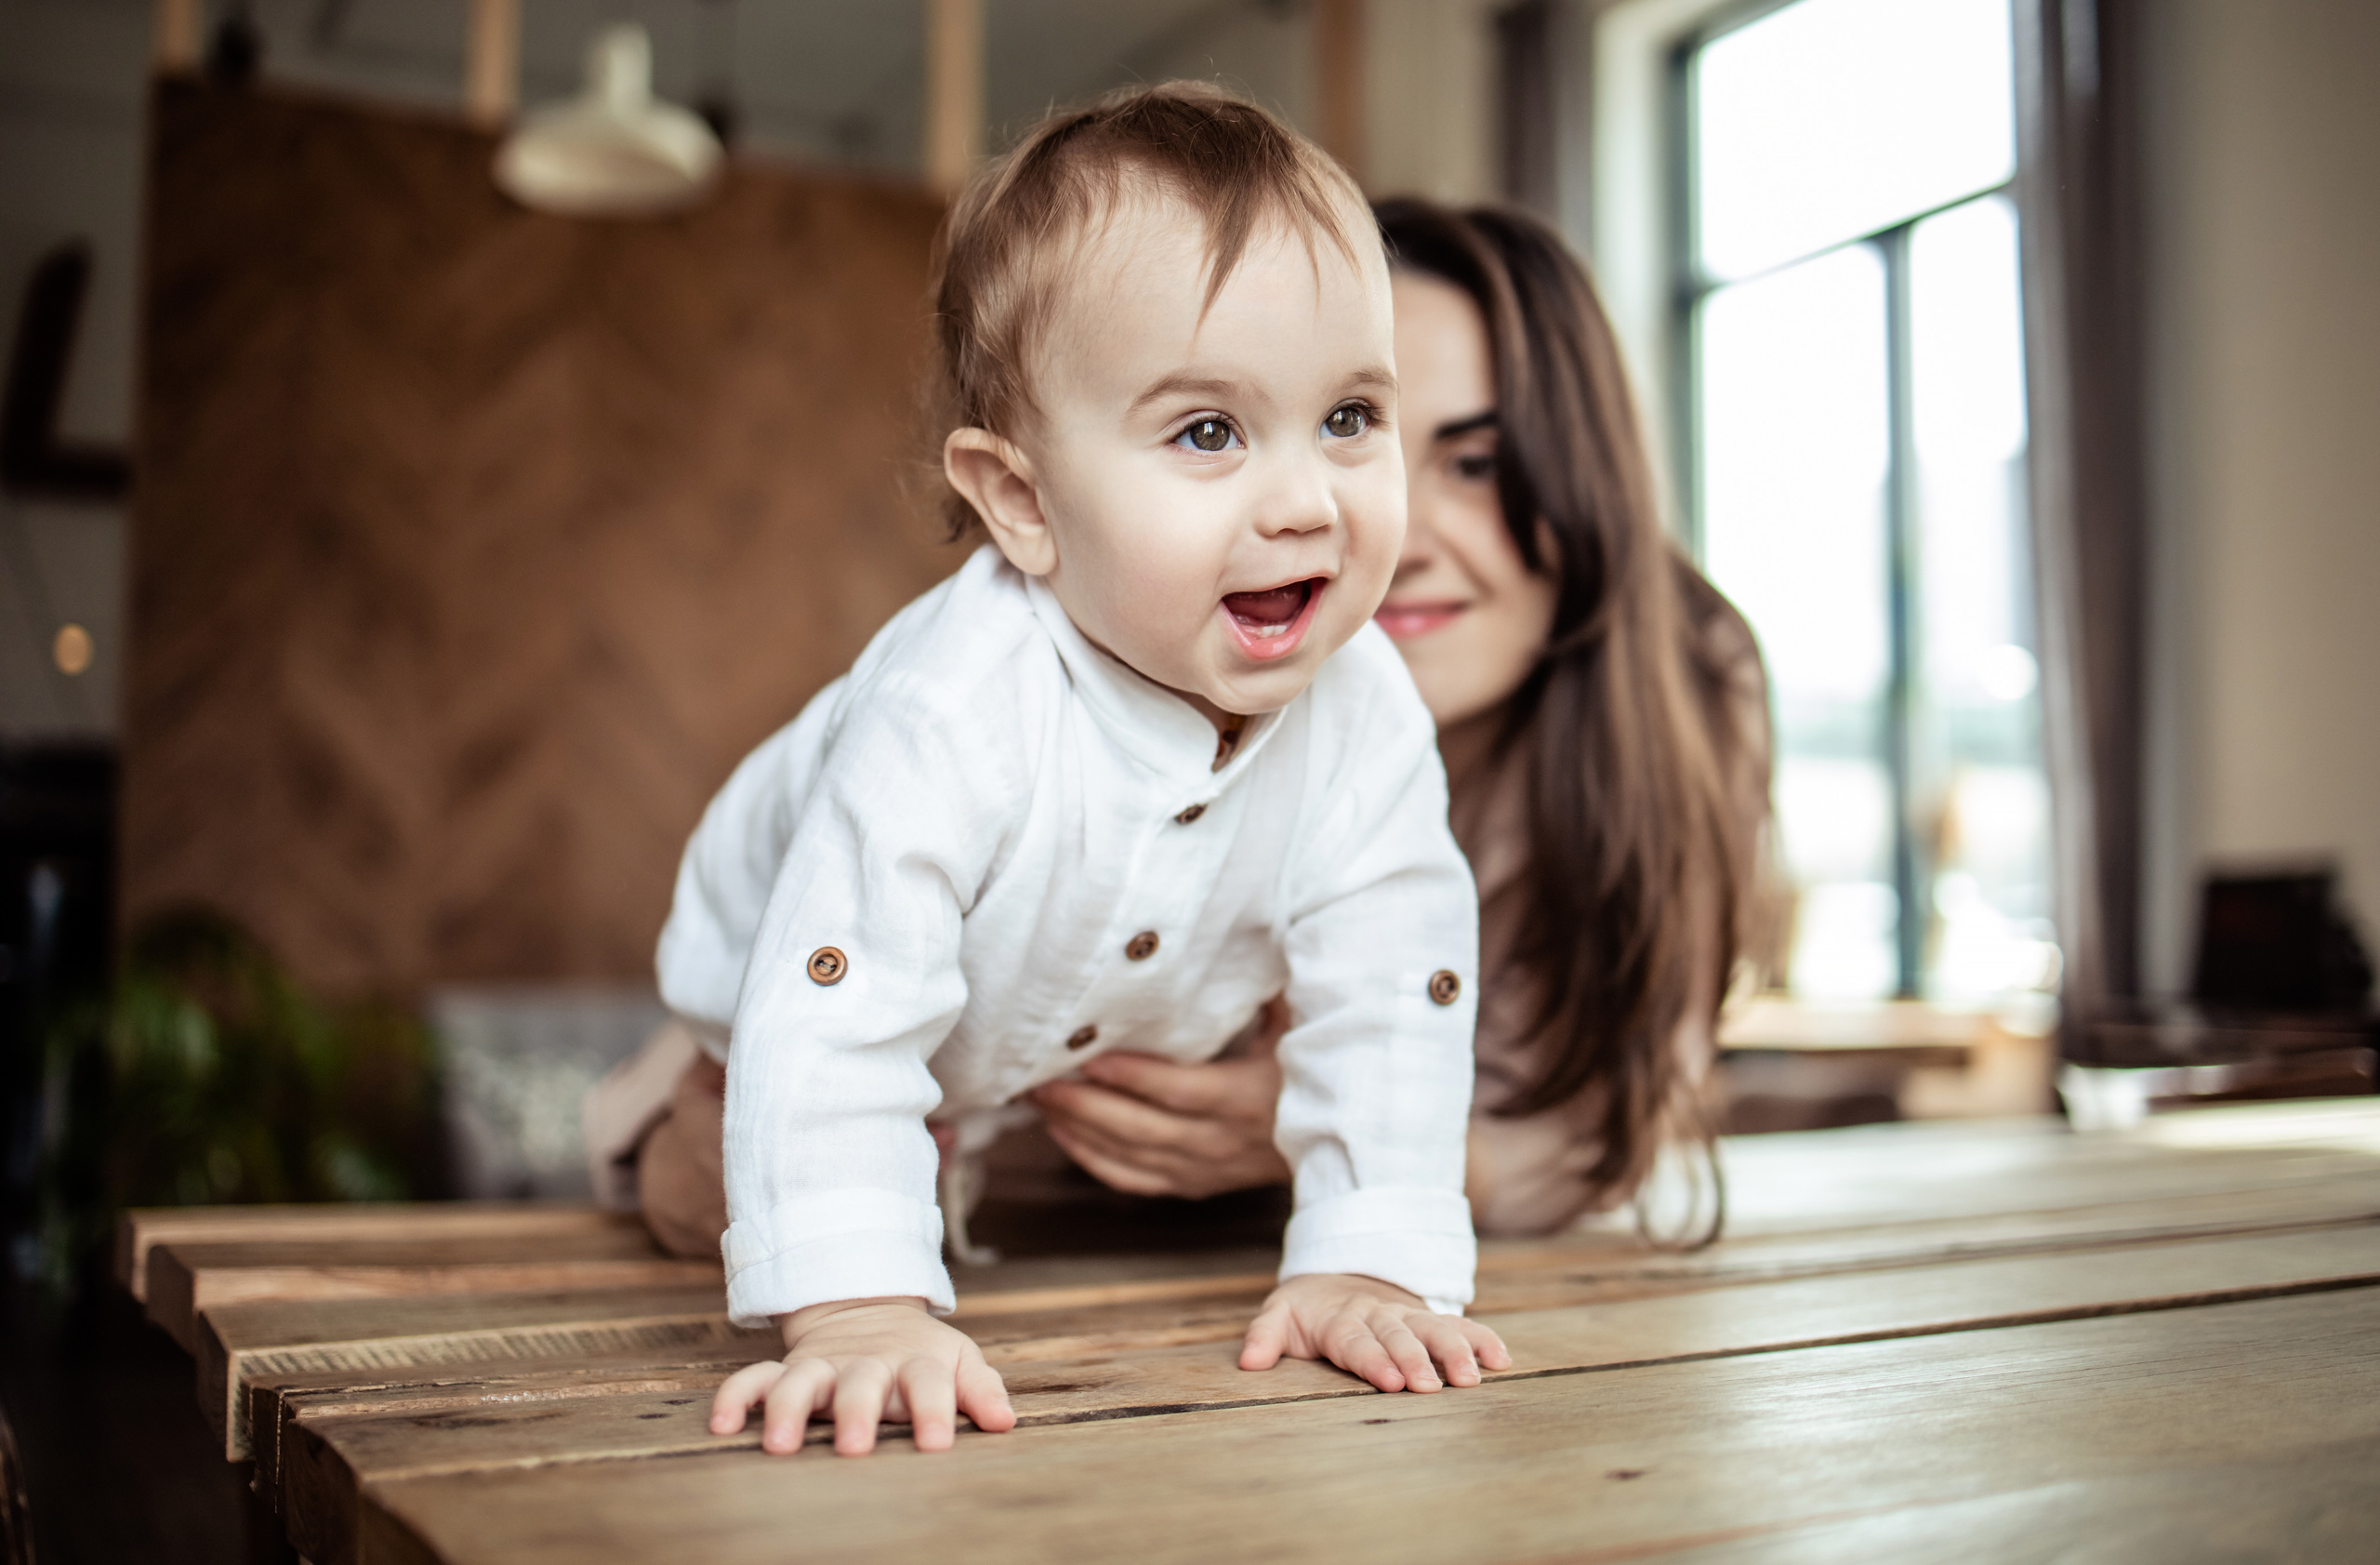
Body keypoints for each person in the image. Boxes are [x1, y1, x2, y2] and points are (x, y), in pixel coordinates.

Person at [669, 84, 1510, 1461]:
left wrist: (1368, 1253)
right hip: (788, 959)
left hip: (1042, 1032)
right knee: (718, 1138)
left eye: (1351, 415)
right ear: (1023, 504)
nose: (1306, 499)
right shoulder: (952, 706)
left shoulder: (1368, 713)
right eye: (1207, 432)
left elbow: (1392, 987)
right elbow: (838, 1003)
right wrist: (859, 1307)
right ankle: (646, 1098)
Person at [1025, 199, 1772, 1240]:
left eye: (1475, 464)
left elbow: (1604, 1136)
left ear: (1582, 482)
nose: (1390, 527)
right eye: (1345, 433)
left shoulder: (1691, 682)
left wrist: (1340, 1133)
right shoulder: (1085, 681)